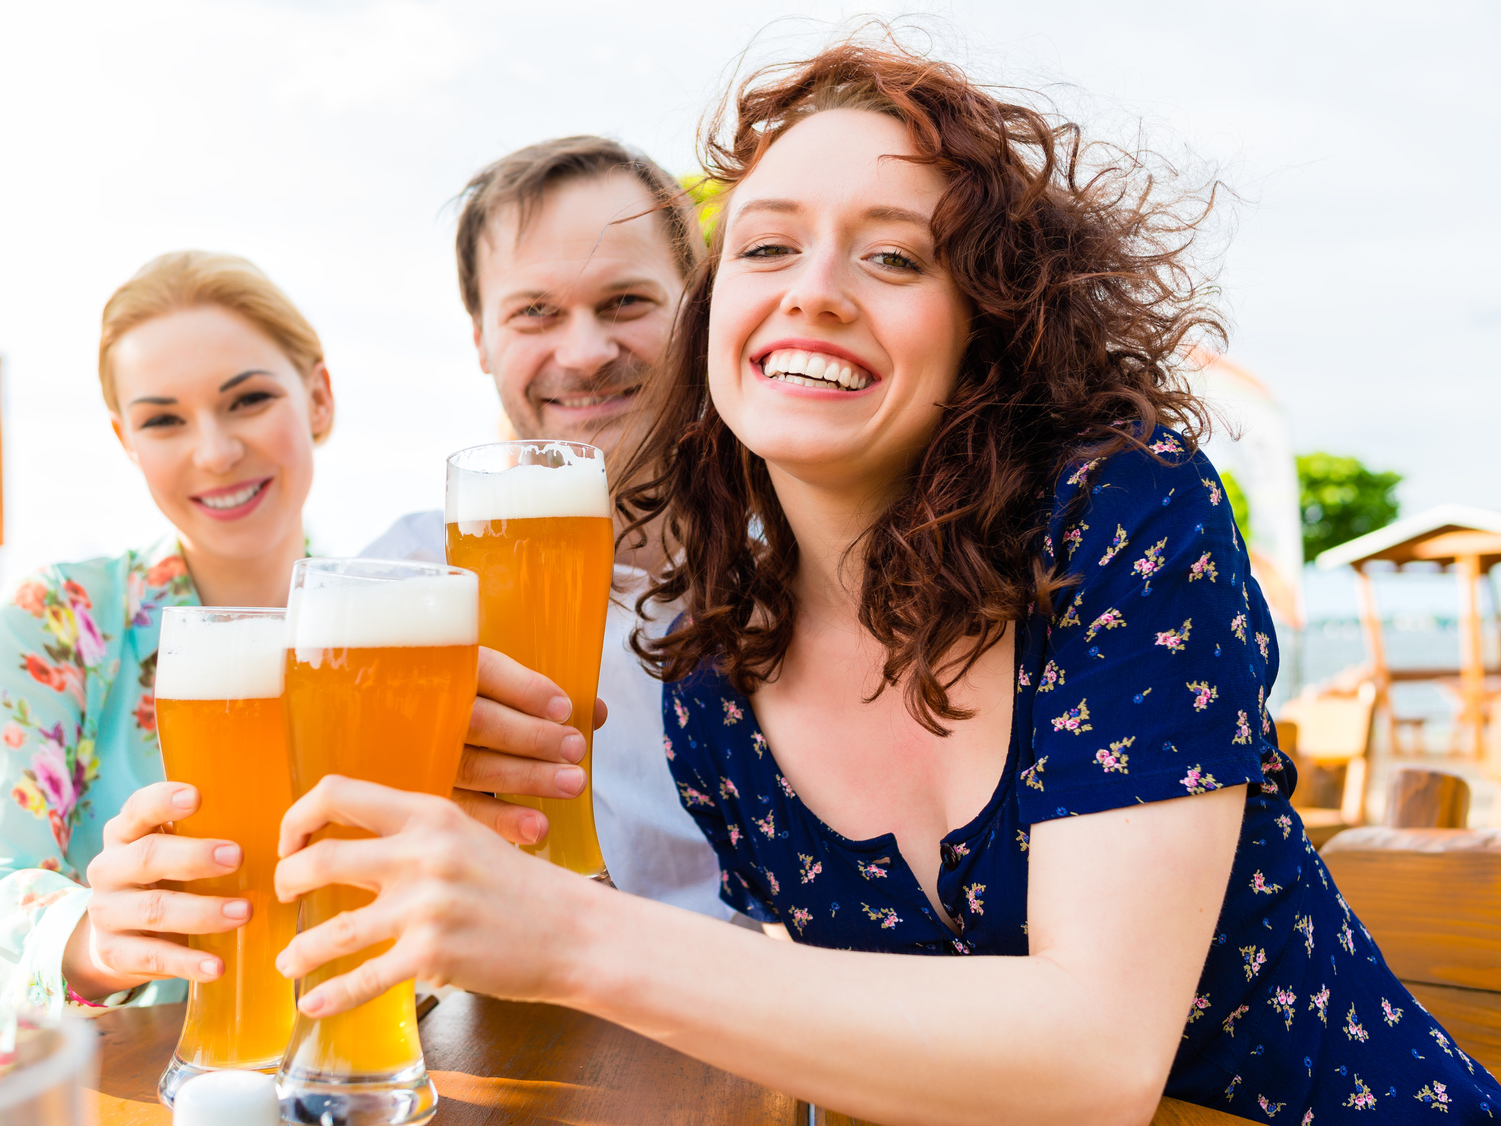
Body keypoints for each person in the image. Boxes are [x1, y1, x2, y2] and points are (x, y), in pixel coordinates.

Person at [267, 40, 1501, 1125]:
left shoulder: (1117, 512)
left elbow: (1098, 1058)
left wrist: (570, 934)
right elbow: (830, 1029)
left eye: (896, 258)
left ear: (989, 321)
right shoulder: (711, 671)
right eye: (765, 245)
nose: (810, 287)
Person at [0, 251, 338, 1050]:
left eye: (247, 399)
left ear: (318, 397)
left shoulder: (393, 633)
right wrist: (96, 942)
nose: (213, 452)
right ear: (124, 440)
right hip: (121, 1083)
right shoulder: (59, 619)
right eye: (163, 419)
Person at [361, 136, 732, 918]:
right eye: (536, 312)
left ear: (694, 311)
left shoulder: (800, 561)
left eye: (625, 302)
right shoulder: (399, 586)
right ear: (480, 340)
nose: (587, 351)